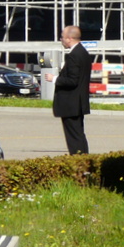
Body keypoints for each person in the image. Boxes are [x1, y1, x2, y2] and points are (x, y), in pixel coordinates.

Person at [45, 25, 92, 154]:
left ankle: (78, 163)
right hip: (78, 102)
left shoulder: (74, 56)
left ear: (69, 38)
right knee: (78, 135)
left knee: (74, 138)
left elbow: (73, 80)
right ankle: (84, 161)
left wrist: (54, 79)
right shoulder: (83, 52)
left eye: (62, 37)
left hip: (71, 103)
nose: (61, 40)